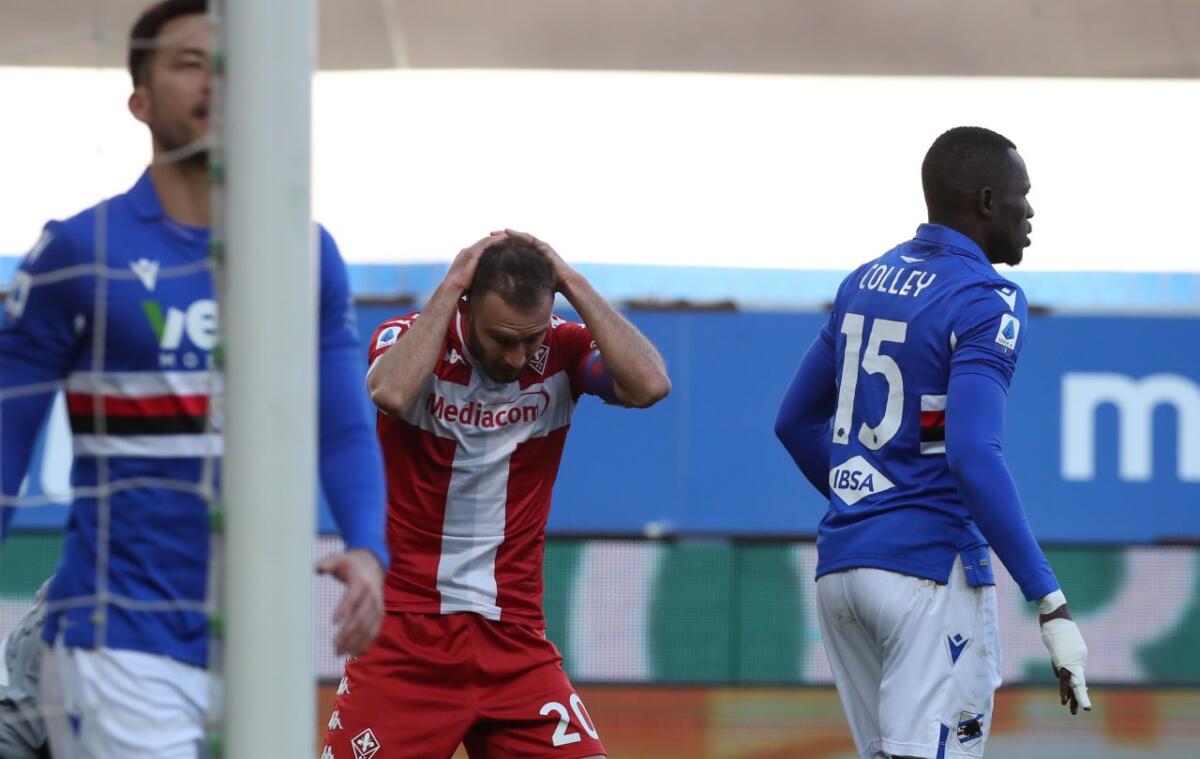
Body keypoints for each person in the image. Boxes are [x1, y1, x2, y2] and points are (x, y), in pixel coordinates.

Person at [0, 1, 388, 755]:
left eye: (231, 64)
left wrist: (369, 547)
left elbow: (341, 425)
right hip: (117, 634)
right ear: (139, 100)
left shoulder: (307, 255)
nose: (214, 81)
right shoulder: (79, 251)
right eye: (187, 63)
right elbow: (5, 439)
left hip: (261, 641)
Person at [774, 126, 1090, 759]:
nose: (1032, 211)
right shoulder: (987, 298)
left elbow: (793, 422)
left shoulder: (863, 280)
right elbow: (972, 454)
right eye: (1023, 195)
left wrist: (871, 501)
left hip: (842, 571)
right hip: (927, 574)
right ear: (986, 201)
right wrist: (1050, 600)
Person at [322, 231, 671, 759]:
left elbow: (650, 383)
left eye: (529, 339)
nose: (516, 356)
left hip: (515, 642)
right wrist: (452, 283)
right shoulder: (408, 339)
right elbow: (389, 392)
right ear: (464, 302)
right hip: (405, 639)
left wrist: (571, 281)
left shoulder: (563, 350)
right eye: (502, 338)